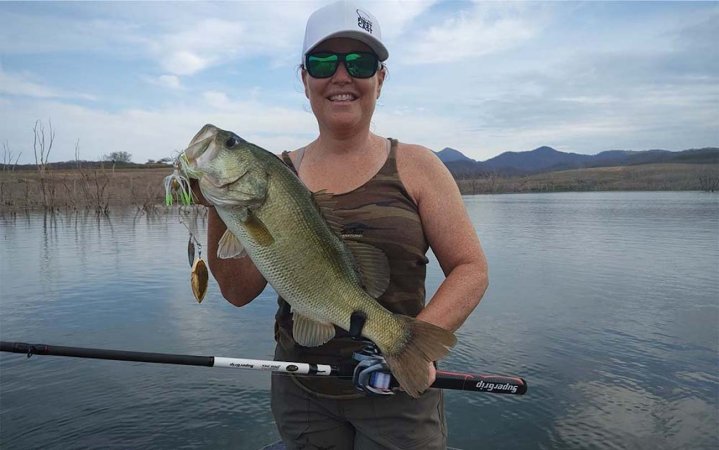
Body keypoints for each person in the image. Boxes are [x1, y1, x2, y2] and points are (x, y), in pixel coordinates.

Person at [193, 1, 488, 448]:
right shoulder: (277, 173)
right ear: (305, 79)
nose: (342, 75)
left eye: (361, 62)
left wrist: (409, 350)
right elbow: (236, 293)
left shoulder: (419, 166)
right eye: (324, 61)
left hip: (399, 397)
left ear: (380, 79)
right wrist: (218, 203)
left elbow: (471, 269)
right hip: (303, 393)